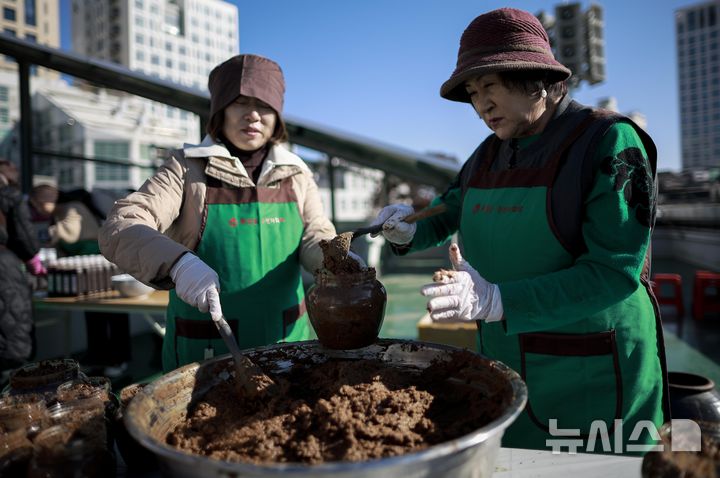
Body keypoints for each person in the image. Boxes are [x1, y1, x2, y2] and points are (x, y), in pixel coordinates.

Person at [370, 8, 668, 452]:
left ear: (535, 79)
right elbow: (450, 209)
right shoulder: (488, 154)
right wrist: (404, 230)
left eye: (489, 86)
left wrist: (497, 300)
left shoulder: (607, 142)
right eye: (472, 92)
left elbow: (613, 273)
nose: (480, 105)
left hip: (595, 366)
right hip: (508, 360)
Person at [99, 54, 353, 373]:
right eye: (239, 103)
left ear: (277, 116)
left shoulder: (297, 175)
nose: (253, 116)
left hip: (290, 345)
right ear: (220, 111)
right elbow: (121, 225)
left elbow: (316, 234)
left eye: (263, 105)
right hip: (206, 350)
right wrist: (178, 264)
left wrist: (336, 258)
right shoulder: (186, 169)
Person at [29, 181, 131, 377]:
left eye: (38, 203)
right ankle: (98, 356)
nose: (37, 208)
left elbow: (73, 231)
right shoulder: (61, 212)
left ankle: (119, 358)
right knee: (93, 313)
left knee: (114, 311)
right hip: (88, 270)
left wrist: (52, 233)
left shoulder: (71, 208)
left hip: (103, 265)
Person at [0, 160, 42, 377]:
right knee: (11, 344)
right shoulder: (9, 195)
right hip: (4, 270)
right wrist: (34, 259)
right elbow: (26, 240)